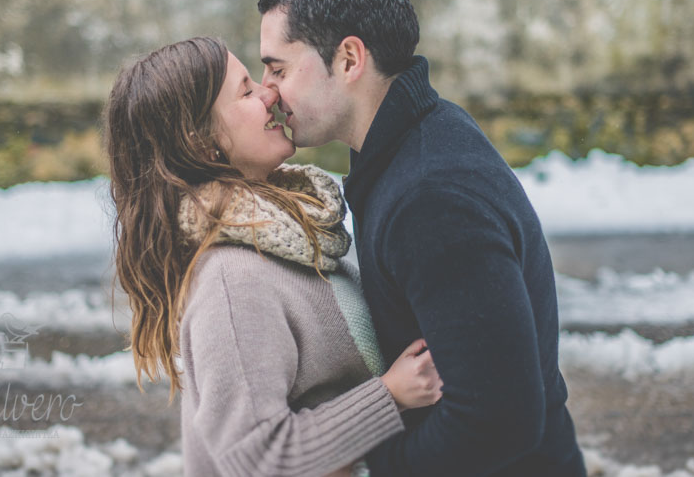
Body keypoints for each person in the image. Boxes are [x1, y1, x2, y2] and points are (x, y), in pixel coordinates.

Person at [257, 0, 587, 476]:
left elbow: (501, 419)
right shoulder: (412, 141)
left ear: (348, 59)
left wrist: (378, 467)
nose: (268, 91)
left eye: (278, 68)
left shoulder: (429, 198)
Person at [103, 36, 443, 477]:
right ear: (202, 143)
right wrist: (390, 395)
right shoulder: (233, 280)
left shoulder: (287, 237)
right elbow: (257, 457)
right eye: (246, 91)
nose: (270, 93)